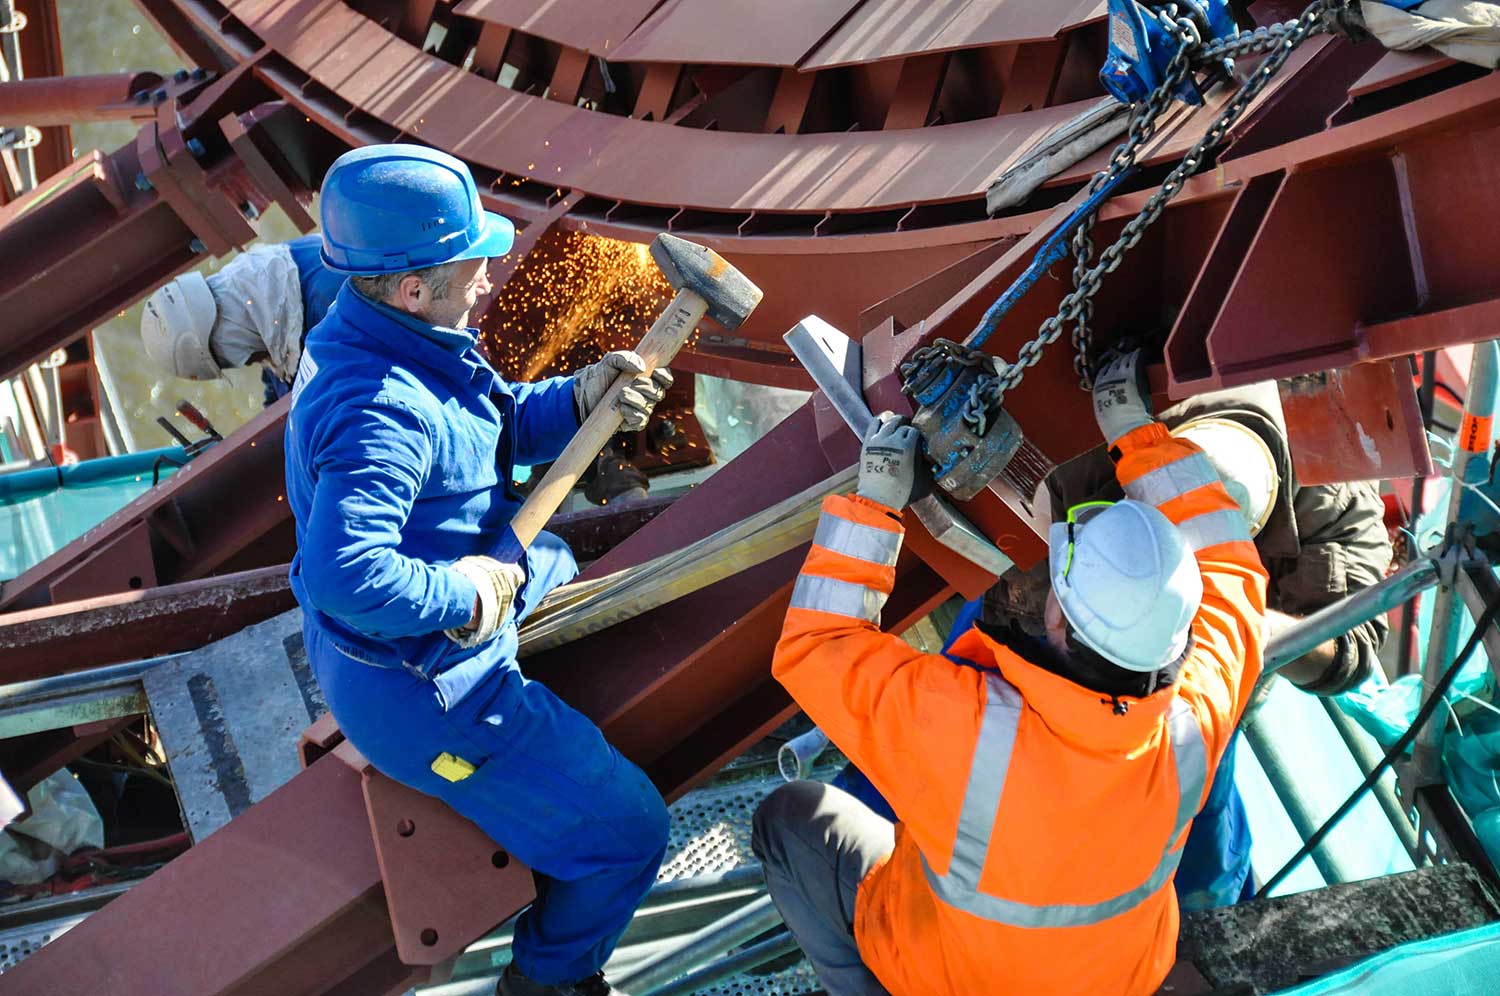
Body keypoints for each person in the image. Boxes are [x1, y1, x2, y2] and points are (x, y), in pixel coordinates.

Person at [753, 350, 1269, 996]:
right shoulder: (1197, 712)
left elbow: (816, 643)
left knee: (789, 818)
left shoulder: (963, 732)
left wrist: (874, 502)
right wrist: (1140, 437)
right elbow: (1235, 572)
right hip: (1118, 980)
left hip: (948, 979)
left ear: (1058, 620)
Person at [285, 144, 673, 996]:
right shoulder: (382, 408)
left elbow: (481, 431)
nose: (490, 279)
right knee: (632, 834)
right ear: (416, 284)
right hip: (426, 687)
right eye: (474, 264)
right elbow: (346, 579)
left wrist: (577, 399)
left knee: (561, 556)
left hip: (432, 613)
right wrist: (464, 591)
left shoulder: (386, 331)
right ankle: (547, 981)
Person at [140, 234, 345, 399]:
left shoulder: (329, 311)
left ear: (224, 338)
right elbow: (277, 380)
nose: (246, 363)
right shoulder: (267, 287)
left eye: (228, 360)